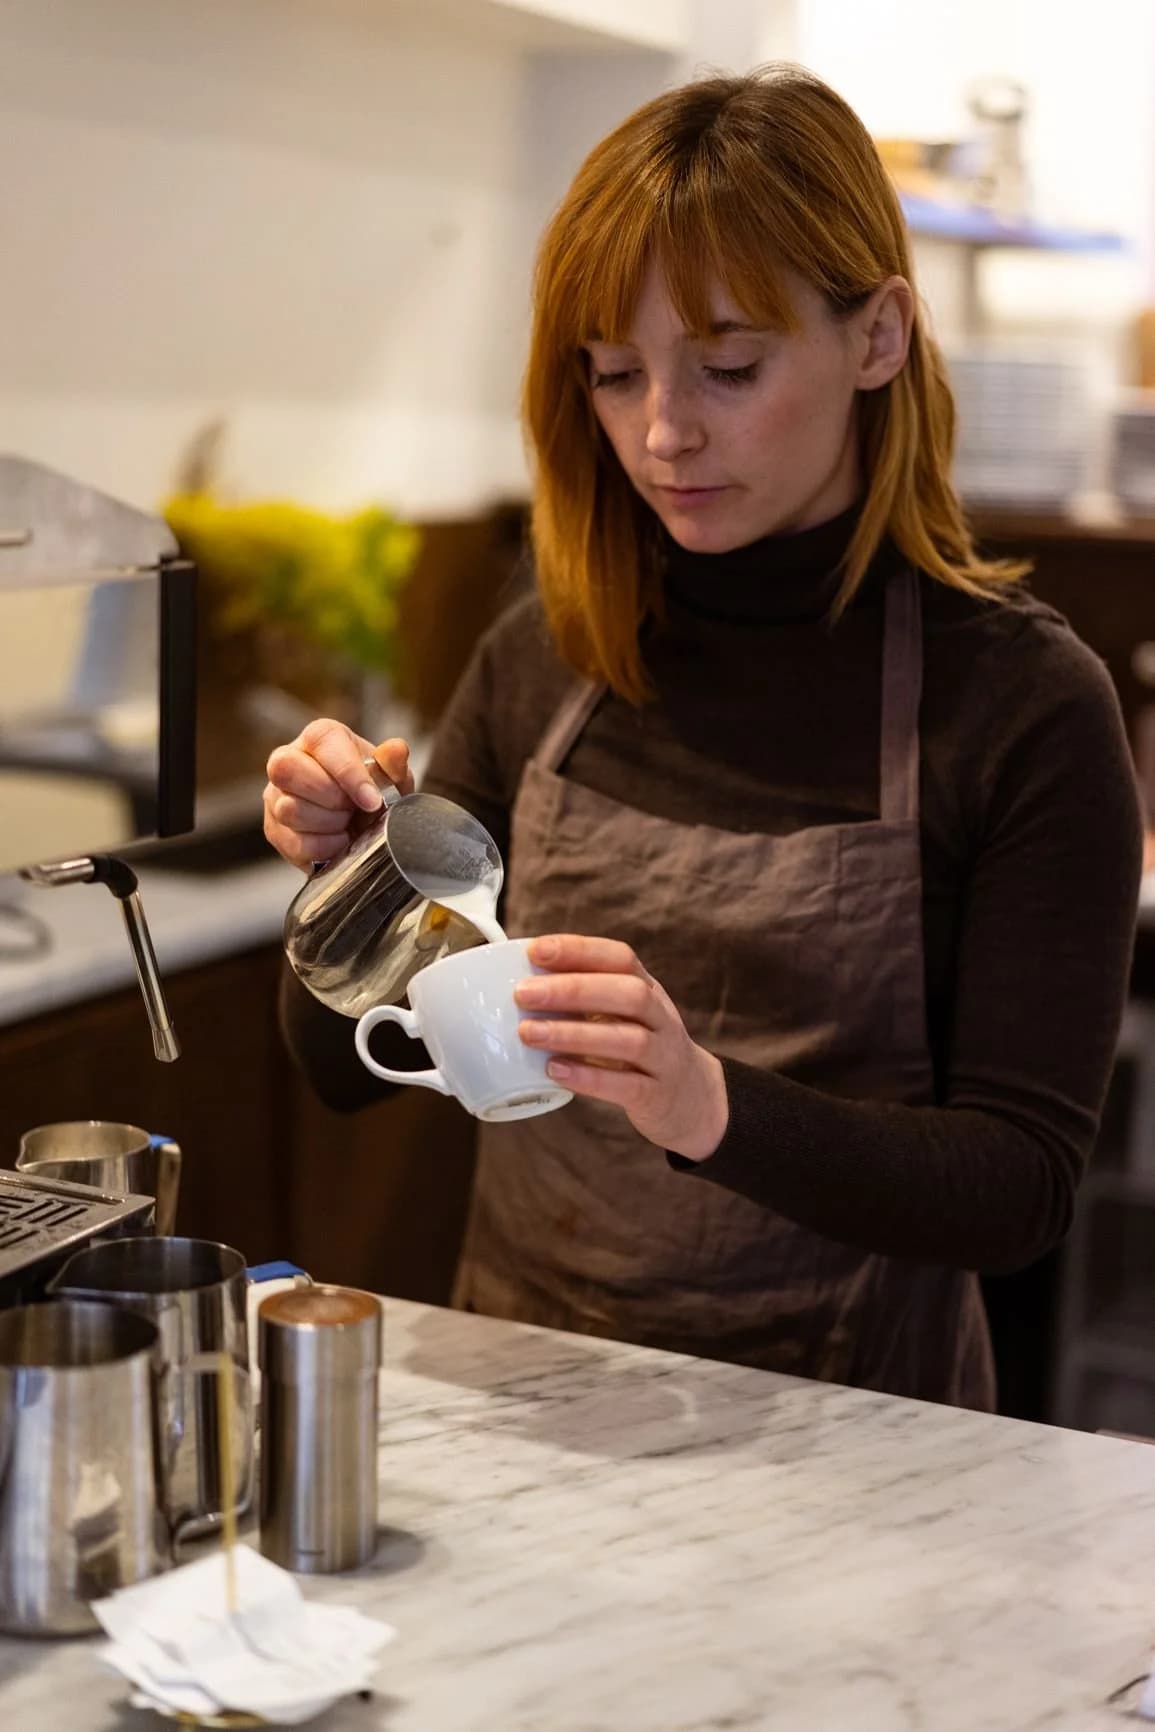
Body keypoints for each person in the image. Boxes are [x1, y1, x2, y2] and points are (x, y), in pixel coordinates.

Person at [264, 66, 1143, 1412]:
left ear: (880, 337)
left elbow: (1016, 1189)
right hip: (532, 1390)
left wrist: (703, 1102)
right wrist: (349, 881)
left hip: (859, 1433)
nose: (665, 431)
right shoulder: (548, 651)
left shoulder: (1021, 708)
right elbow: (340, 1072)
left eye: (728, 367)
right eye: (616, 375)